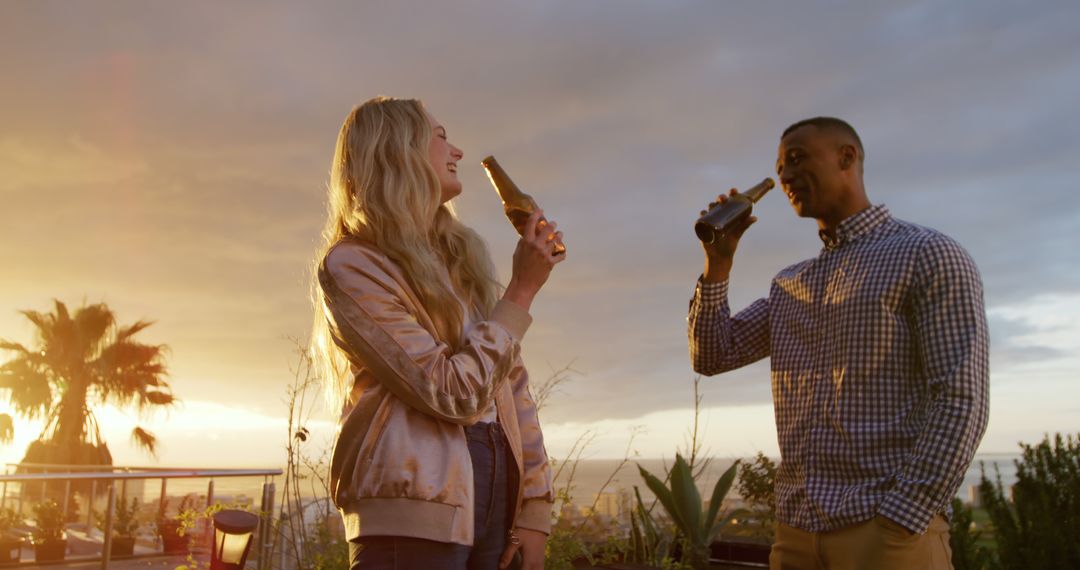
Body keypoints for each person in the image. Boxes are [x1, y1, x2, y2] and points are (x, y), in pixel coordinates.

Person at [688, 117, 989, 569]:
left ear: (846, 157)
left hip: (886, 534)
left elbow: (961, 398)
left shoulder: (927, 254)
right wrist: (718, 263)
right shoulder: (792, 283)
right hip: (795, 538)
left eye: (796, 159)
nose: (785, 176)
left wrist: (902, 519)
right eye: (779, 166)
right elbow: (712, 355)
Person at [311, 96, 562, 570]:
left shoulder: (459, 258)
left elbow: (512, 388)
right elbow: (451, 391)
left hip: (494, 491)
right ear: (399, 149)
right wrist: (523, 290)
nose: (458, 151)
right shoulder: (354, 264)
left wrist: (533, 509)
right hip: (413, 506)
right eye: (441, 136)